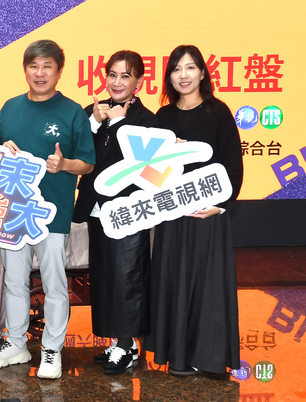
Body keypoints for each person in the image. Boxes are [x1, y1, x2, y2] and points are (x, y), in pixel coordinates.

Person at [0, 40, 95, 379]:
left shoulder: (72, 112)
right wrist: (0, 150)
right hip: (12, 213)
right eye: (34, 66)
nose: (40, 73)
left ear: (59, 72)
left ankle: (51, 350)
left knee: (55, 285)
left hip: (53, 214)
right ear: (25, 69)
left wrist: (65, 164)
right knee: (14, 283)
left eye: (47, 66)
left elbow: (88, 163)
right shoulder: (10, 107)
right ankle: (16, 344)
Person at [144, 45, 243, 375]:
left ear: (202, 73)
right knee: (173, 283)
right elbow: (149, 172)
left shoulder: (218, 112)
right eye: (176, 69)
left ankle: (208, 357)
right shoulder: (163, 118)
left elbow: (233, 165)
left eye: (190, 68)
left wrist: (219, 206)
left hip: (207, 214)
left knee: (207, 287)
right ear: (169, 77)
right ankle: (177, 355)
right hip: (172, 215)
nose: (183, 75)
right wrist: (168, 157)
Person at [72, 51, 158, 375]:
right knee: (105, 276)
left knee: (127, 277)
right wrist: (95, 122)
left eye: (126, 76)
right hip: (96, 209)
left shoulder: (147, 120)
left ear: (139, 82)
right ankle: (118, 342)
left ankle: (127, 344)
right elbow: (79, 152)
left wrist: (119, 123)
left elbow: (143, 168)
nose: (117, 82)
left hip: (128, 211)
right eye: (112, 75)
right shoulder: (92, 112)